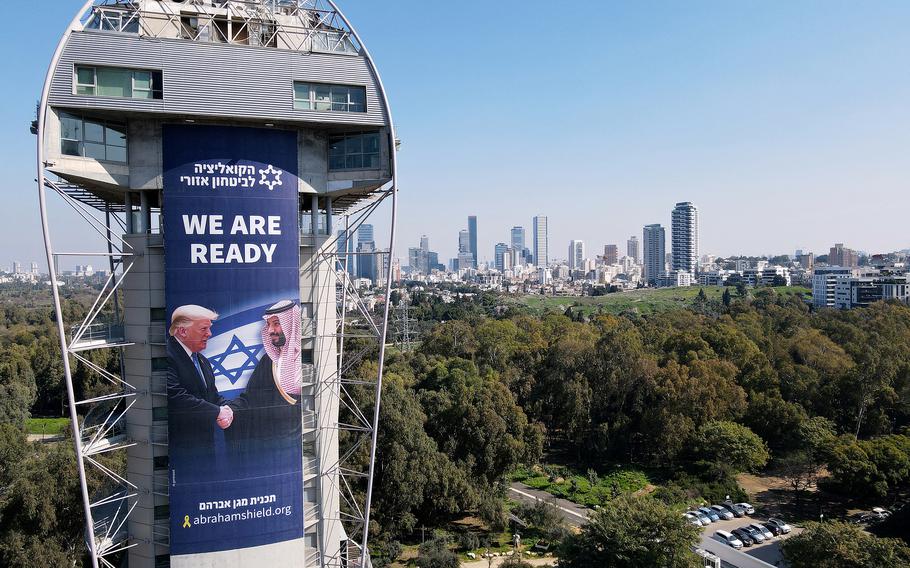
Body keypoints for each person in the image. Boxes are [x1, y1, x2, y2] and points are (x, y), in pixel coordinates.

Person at [229, 300, 304, 465]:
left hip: (292, 453)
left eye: (276, 324)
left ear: (290, 323)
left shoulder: (306, 362)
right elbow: (248, 398)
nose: (270, 331)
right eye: (269, 325)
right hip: (264, 451)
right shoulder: (268, 362)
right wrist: (229, 410)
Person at [166, 305, 234, 464]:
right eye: (204, 329)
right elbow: (176, 397)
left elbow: (212, 396)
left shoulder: (202, 360)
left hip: (204, 452)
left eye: (209, 329)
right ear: (182, 331)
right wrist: (217, 411)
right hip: (180, 454)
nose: (209, 334)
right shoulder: (167, 355)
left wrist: (227, 409)